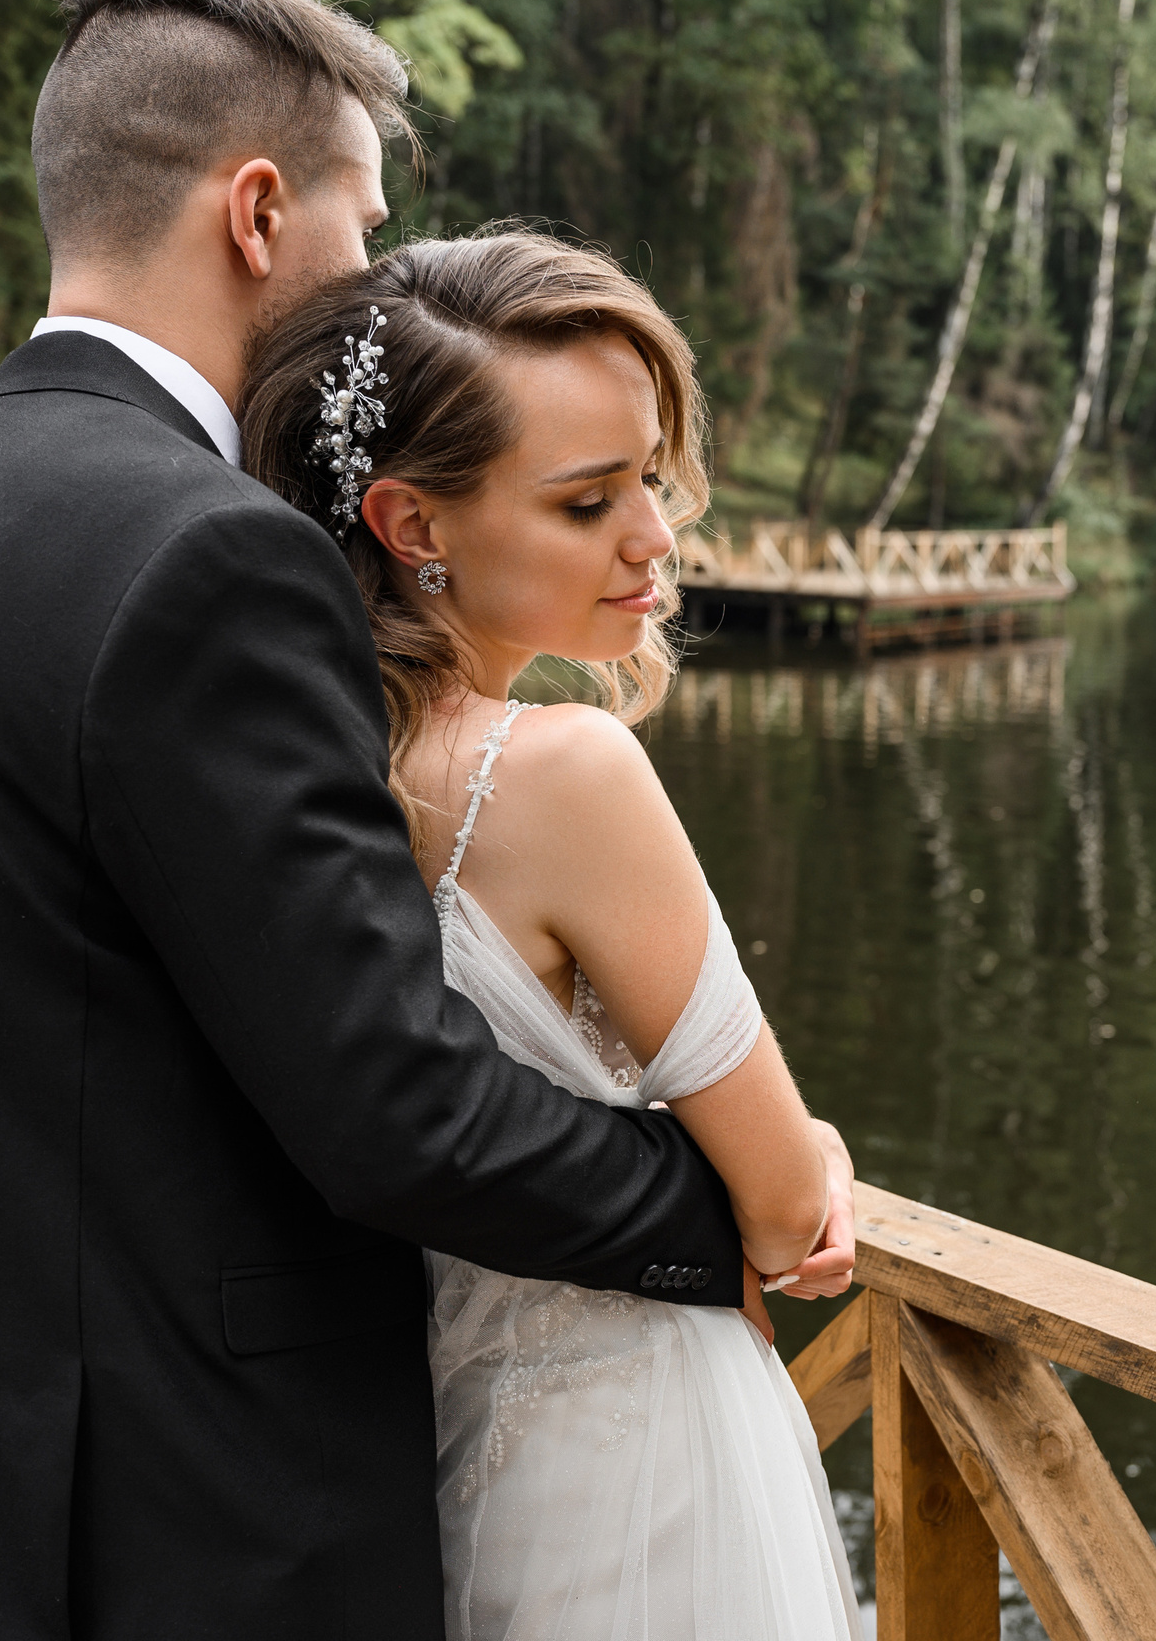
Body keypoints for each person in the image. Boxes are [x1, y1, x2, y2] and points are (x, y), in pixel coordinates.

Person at [0, 0, 848, 1635]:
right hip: (188, 1530)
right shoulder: (209, 556)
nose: (370, 286)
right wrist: (702, 1215)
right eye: (360, 229)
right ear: (259, 211)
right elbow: (390, 1104)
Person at [244, 231, 863, 1640]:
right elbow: (780, 1210)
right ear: (415, 527)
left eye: (650, 474)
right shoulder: (567, 771)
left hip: (439, 1455)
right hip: (646, 1448)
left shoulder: (300, 769)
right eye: (588, 502)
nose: (654, 534)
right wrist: (816, 1152)